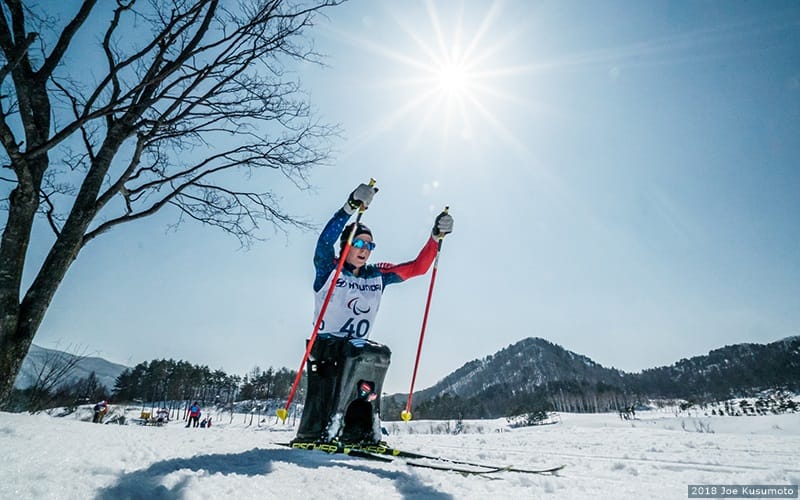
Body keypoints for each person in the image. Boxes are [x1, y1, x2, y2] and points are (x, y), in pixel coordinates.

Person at [294, 183, 453, 445]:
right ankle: (327, 428)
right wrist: (350, 207)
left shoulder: (376, 276)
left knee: (377, 355)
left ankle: (362, 429)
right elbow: (324, 241)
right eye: (358, 243)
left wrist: (435, 238)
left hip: (356, 349)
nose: (364, 249)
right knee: (355, 357)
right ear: (346, 244)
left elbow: (418, 268)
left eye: (369, 245)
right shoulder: (328, 268)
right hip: (325, 347)